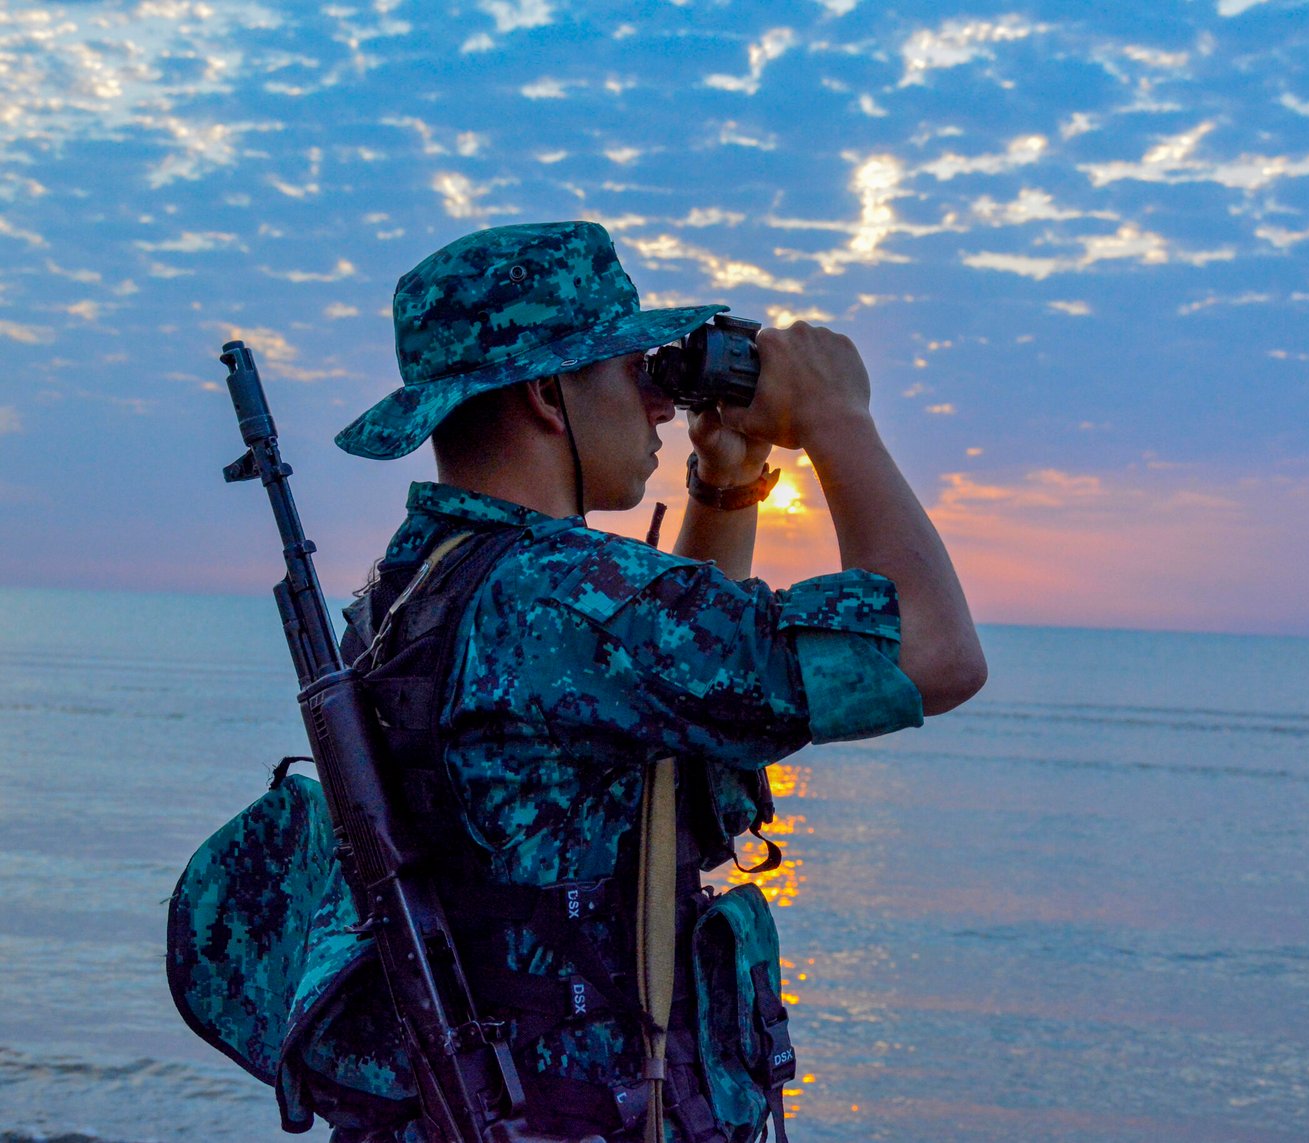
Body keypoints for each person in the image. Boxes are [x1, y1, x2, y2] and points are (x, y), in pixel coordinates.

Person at [168, 220, 985, 1143]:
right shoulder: (562, 598)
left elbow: (672, 713)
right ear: (550, 395)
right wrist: (842, 419)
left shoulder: (416, 585)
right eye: (634, 370)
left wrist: (725, 490)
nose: (660, 405)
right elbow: (935, 652)